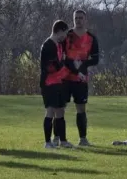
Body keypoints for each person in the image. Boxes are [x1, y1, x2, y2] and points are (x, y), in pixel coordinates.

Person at [59, 10, 99, 147]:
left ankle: (83, 139)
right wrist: (71, 66)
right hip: (65, 77)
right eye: (76, 18)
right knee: (60, 108)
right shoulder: (67, 36)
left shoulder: (91, 37)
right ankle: (57, 138)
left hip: (81, 79)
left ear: (85, 19)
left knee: (81, 108)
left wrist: (83, 65)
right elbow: (61, 55)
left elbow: (95, 59)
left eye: (81, 18)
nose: (78, 20)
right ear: (73, 19)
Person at [40, 20, 73, 149]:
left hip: (59, 82)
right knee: (50, 111)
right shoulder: (48, 45)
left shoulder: (59, 45)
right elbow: (51, 66)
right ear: (59, 31)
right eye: (64, 33)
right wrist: (65, 69)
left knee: (61, 111)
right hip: (49, 83)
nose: (65, 37)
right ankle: (47, 142)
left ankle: (63, 141)